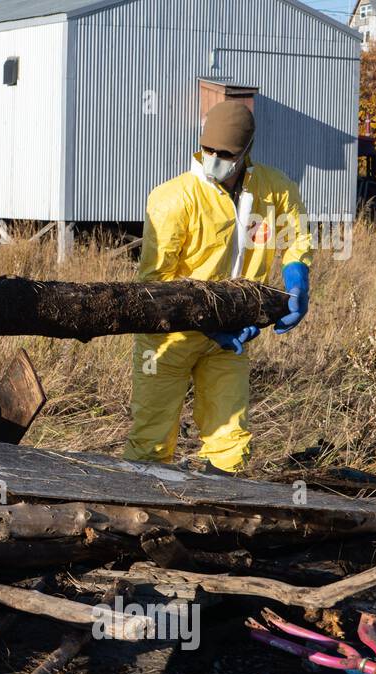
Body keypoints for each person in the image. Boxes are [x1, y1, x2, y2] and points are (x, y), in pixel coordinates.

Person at [122, 101, 313, 474]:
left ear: (246, 152)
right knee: (151, 440)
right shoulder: (173, 198)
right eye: (208, 149)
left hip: (233, 334)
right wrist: (205, 324)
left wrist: (297, 282)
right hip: (168, 339)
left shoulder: (274, 189)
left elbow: (297, 239)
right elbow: (154, 284)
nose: (214, 158)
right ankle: (139, 517)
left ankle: (217, 521)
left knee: (230, 443)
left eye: (225, 154)